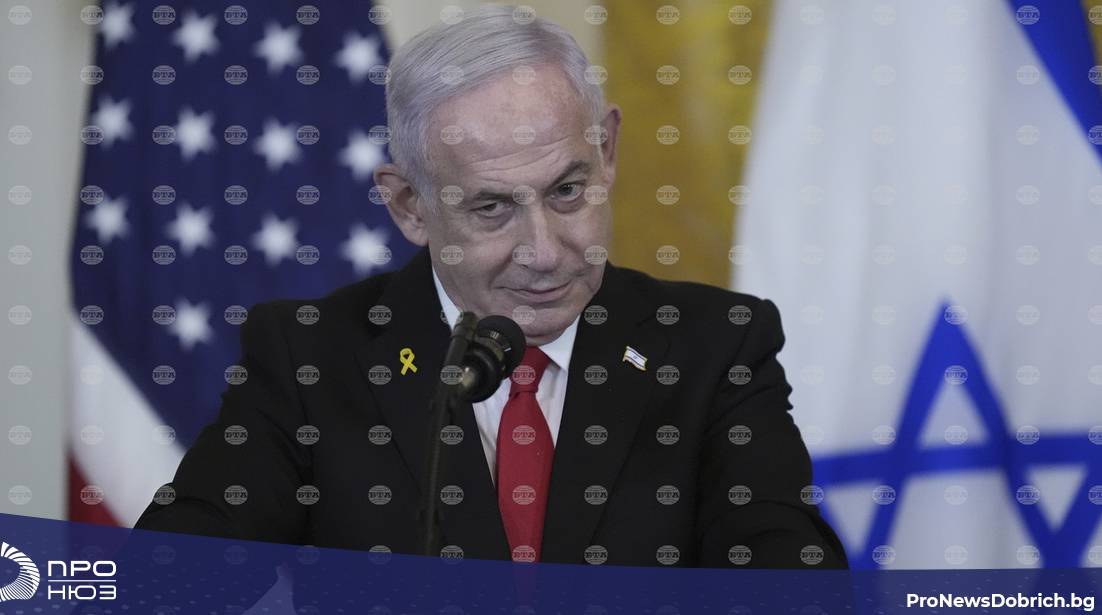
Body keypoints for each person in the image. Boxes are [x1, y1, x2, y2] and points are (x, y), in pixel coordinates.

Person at [136, 3, 846, 569]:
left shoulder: (714, 347)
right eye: (491, 207)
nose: (544, 251)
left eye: (567, 190)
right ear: (410, 206)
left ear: (607, 150)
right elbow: (166, 582)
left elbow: (792, 585)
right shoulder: (310, 359)